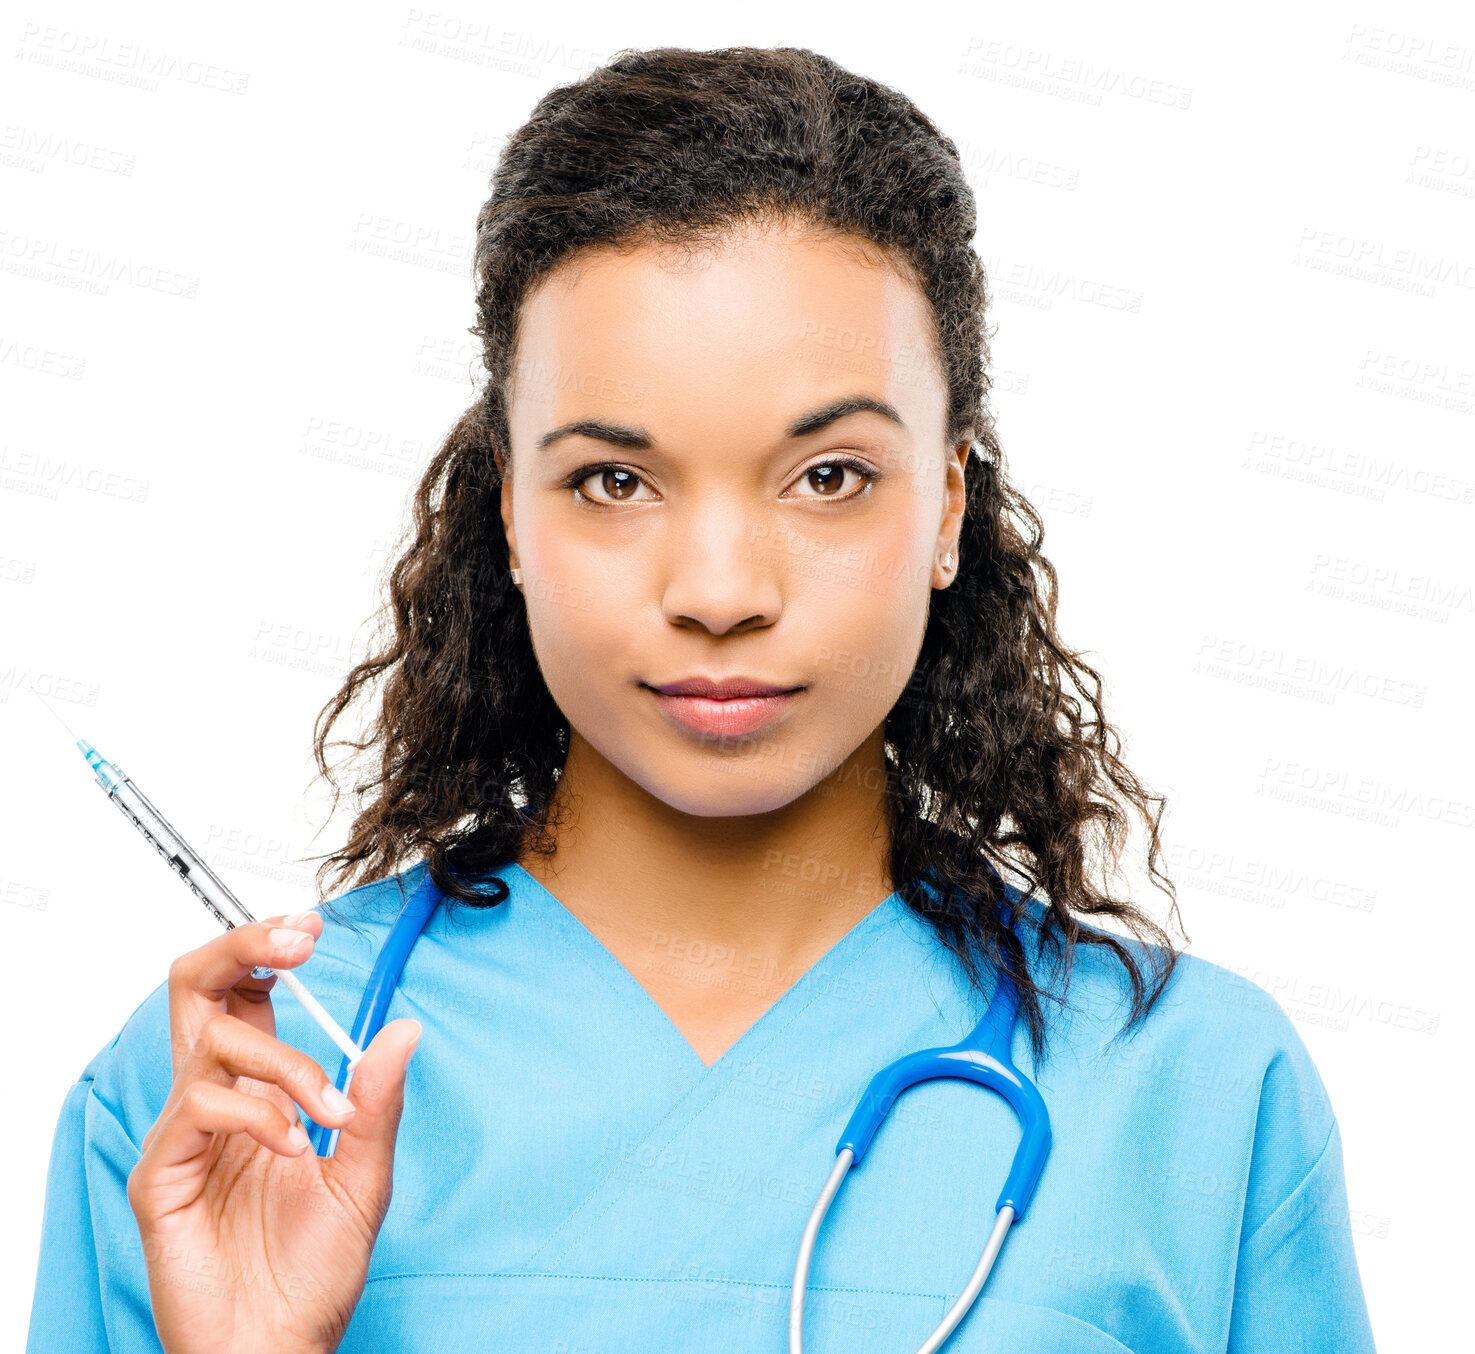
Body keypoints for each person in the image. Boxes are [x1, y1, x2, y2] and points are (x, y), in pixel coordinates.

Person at [26, 45, 1377, 1354]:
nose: (720, 588)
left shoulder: (1199, 1101)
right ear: (509, 510)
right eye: (616, 480)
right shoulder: (229, 1096)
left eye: (828, 475)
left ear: (951, 503)